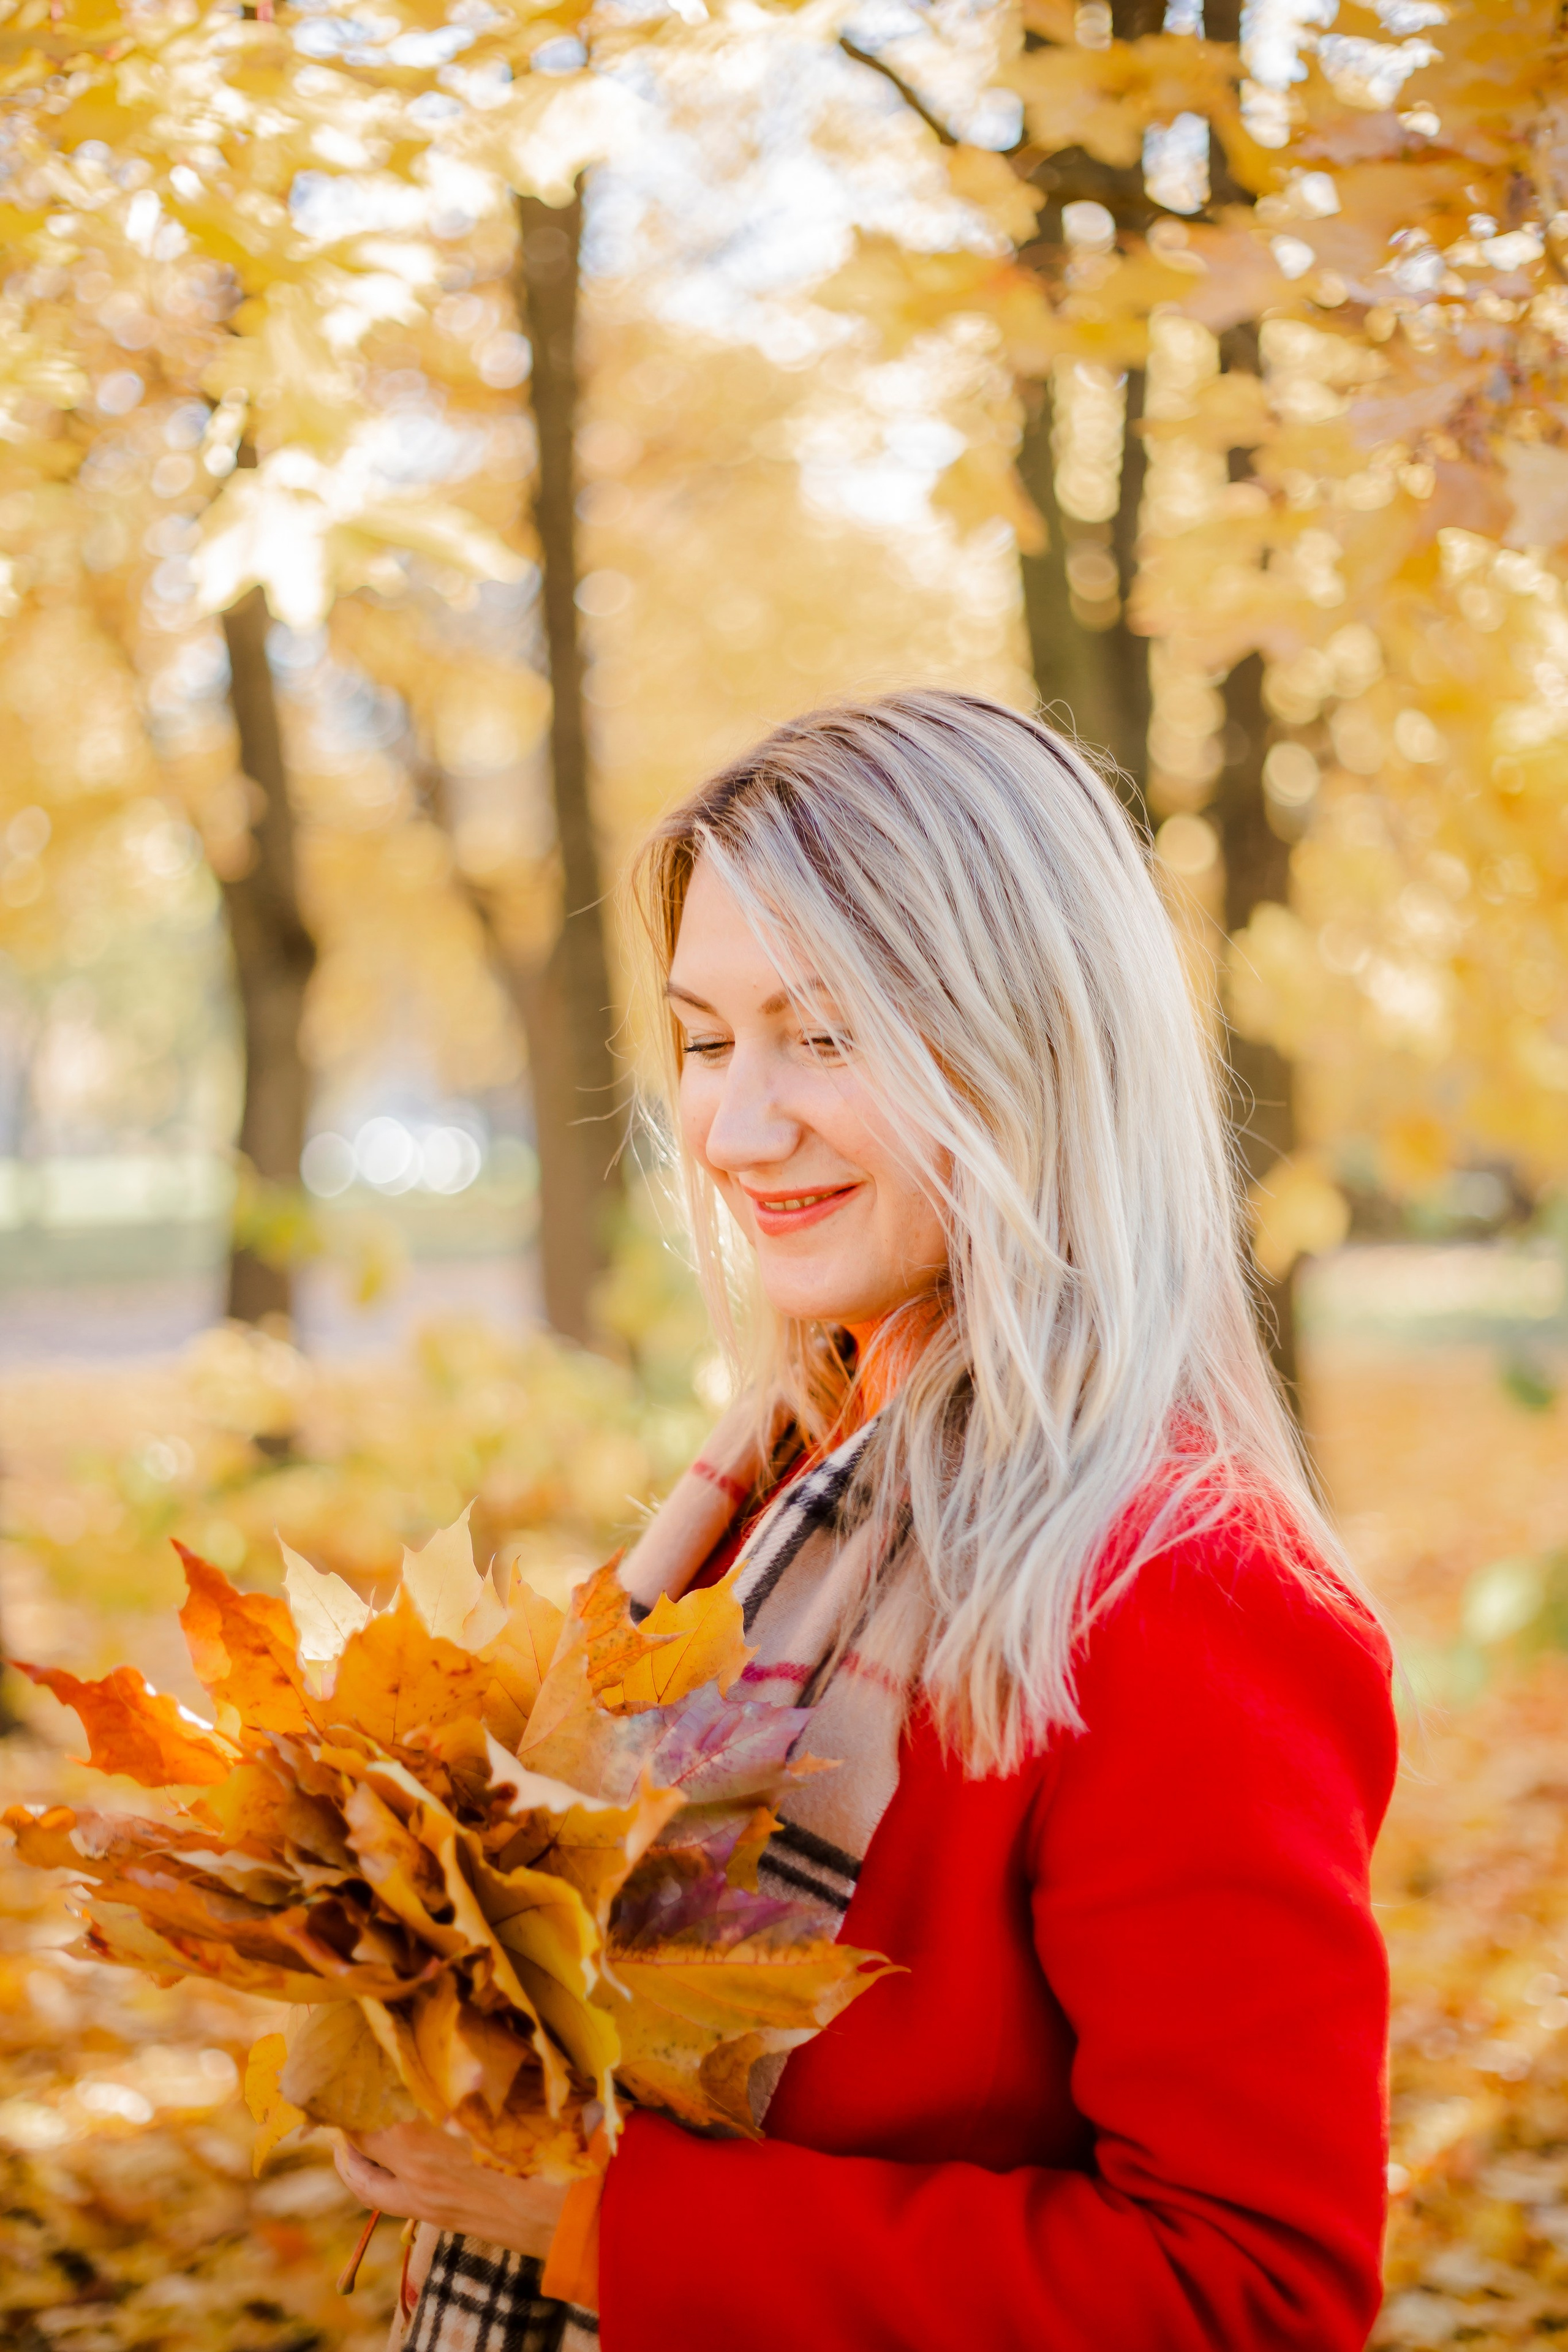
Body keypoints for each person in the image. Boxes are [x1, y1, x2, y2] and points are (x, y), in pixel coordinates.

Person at [336, 692, 1397, 2351]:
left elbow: (1249, 2296)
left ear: (1026, 1046)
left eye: (826, 1035)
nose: (739, 1128)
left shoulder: (1185, 1591)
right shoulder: (769, 1487)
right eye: (705, 1039)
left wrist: (604, 2226)